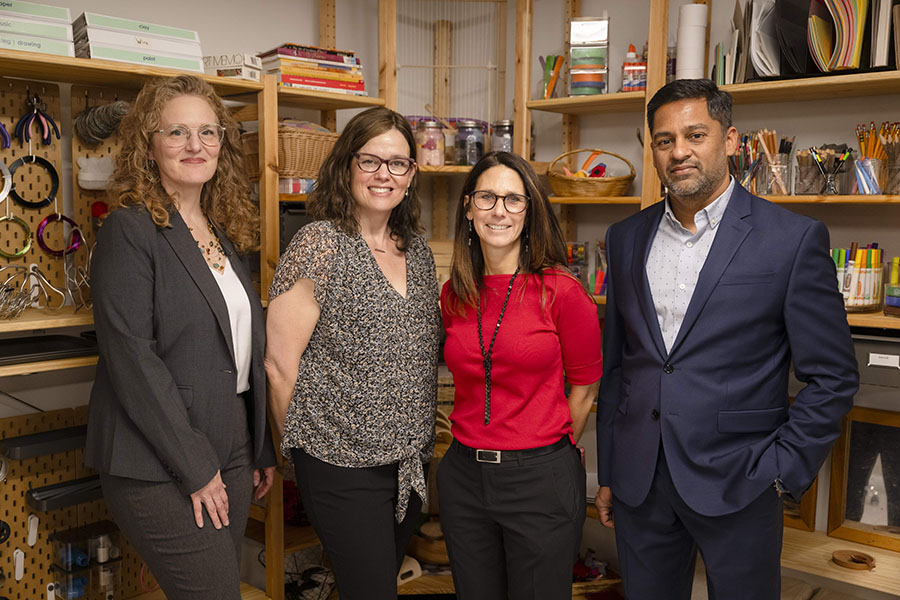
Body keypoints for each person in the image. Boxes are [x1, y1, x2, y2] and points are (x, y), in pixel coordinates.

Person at [594, 78, 859, 599]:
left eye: (696, 134)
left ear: (731, 140)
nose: (680, 152)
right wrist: (610, 467)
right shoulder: (625, 238)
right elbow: (620, 366)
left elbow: (834, 377)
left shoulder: (792, 239)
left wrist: (781, 471)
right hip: (640, 482)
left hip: (742, 479)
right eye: (665, 140)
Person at [85, 74, 276, 599]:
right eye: (177, 133)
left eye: (207, 132)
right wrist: (195, 467)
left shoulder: (218, 228)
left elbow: (239, 348)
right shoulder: (130, 229)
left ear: (222, 143)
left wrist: (258, 446)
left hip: (230, 442)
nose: (196, 145)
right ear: (149, 145)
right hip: (156, 458)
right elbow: (132, 359)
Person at [265, 106, 440, 599]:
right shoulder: (319, 244)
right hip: (341, 465)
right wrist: (300, 459)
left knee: (378, 584)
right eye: (371, 161)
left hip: (409, 464)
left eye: (399, 163)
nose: (385, 174)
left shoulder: (418, 251)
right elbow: (279, 367)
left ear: (411, 174)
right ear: (346, 167)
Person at [438, 151, 602, 599]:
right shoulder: (453, 294)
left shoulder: (562, 291)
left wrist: (547, 447)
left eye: (514, 200)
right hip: (463, 478)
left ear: (530, 212)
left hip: (540, 479)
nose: (499, 211)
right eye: (487, 197)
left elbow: (585, 388)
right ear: (469, 209)